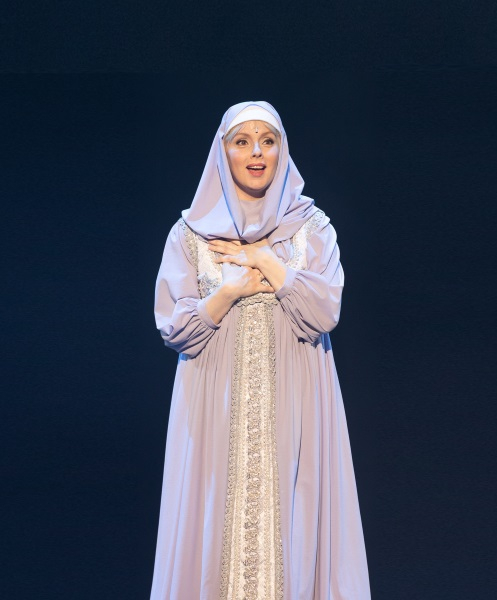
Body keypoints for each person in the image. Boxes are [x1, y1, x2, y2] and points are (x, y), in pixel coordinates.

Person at [151, 101, 371, 599]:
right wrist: (229, 291)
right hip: (212, 412)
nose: (256, 152)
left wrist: (266, 261)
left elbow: (324, 311)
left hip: (297, 411)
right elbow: (174, 328)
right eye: (242, 141)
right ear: (223, 152)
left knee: (295, 524)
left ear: (281, 151)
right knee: (214, 527)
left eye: (267, 141)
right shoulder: (189, 235)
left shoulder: (313, 229)